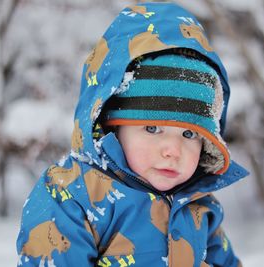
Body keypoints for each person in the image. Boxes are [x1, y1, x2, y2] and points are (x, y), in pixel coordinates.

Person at [16, 2, 249, 267]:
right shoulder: (73, 198)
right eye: (152, 129)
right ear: (112, 126)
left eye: (188, 134)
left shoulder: (199, 206)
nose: (173, 150)